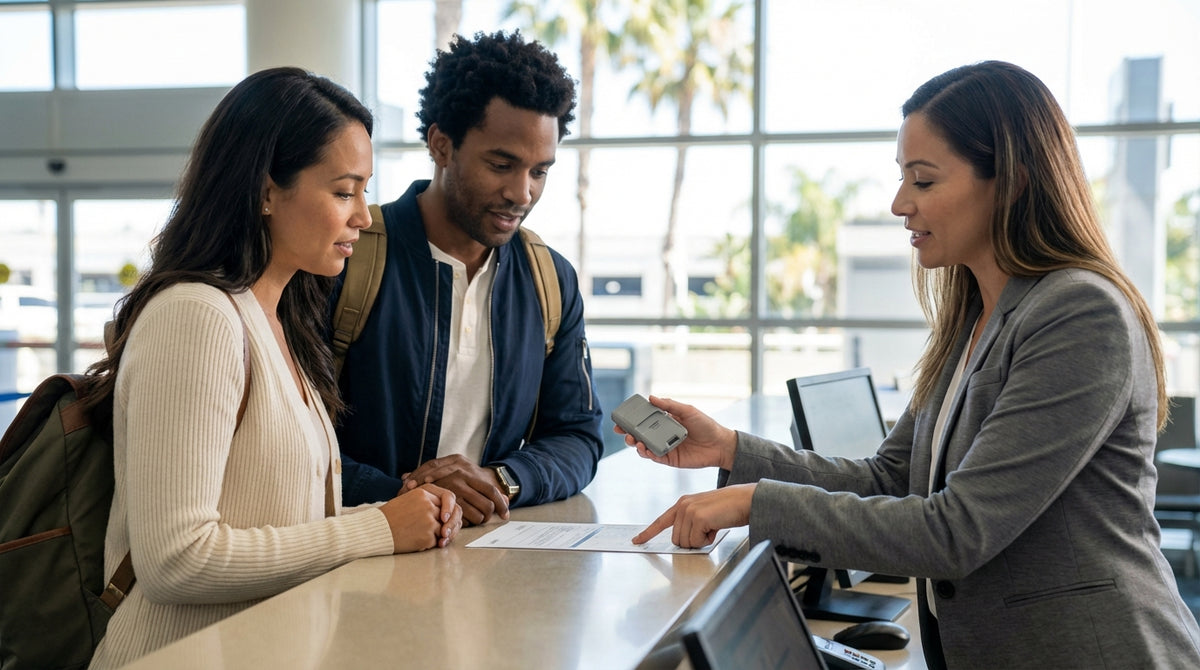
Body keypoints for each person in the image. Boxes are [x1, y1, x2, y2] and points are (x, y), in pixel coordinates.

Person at [625, 61, 1200, 669]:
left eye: (923, 182)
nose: (900, 204)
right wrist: (732, 449)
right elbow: (893, 479)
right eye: (903, 179)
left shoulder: (1081, 313)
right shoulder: (975, 316)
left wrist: (753, 502)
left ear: (1013, 182)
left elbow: (957, 530)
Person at [85, 67, 463, 669]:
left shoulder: (278, 319)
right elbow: (176, 561)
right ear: (265, 191)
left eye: (365, 191)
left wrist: (392, 515)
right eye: (344, 191)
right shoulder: (196, 317)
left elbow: (276, 521)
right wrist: (378, 531)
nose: (364, 216)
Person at [333, 30, 603, 524]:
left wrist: (502, 481)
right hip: (346, 559)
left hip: (481, 563)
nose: (522, 193)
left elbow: (578, 434)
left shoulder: (550, 279)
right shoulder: (345, 260)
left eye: (540, 171)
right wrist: (408, 496)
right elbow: (286, 443)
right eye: (502, 164)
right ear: (441, 145)